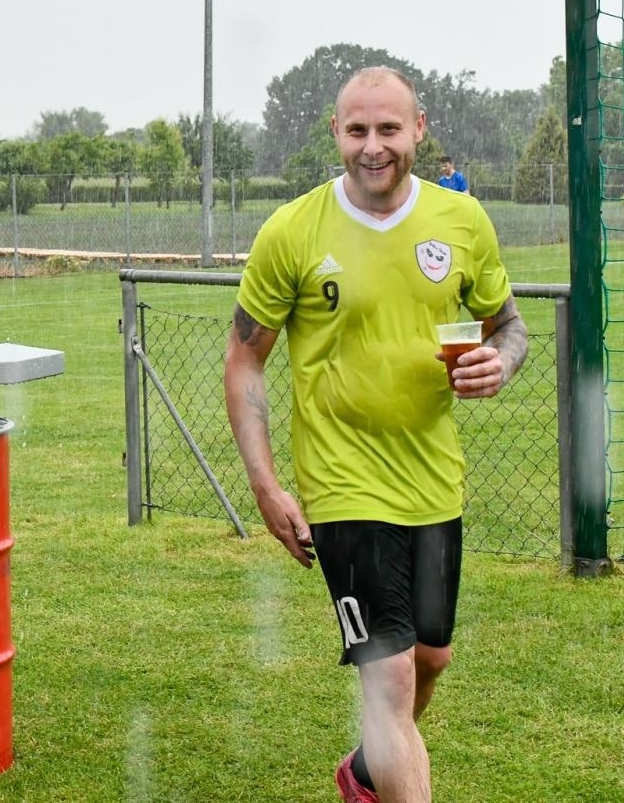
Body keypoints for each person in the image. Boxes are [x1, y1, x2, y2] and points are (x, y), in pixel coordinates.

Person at [223, 67, 527, 803]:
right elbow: (244, 358)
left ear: (418, 128)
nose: (373, 146)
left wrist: (500, 363)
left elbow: (509, 326)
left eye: (388, 129)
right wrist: (266, 485)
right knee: (387, 674)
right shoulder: (292, 231)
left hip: (431, 479)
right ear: (336, 133)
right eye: (357, 130)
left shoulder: (462, 223)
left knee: (430, 660)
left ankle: (366, 771)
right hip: (341, 483)